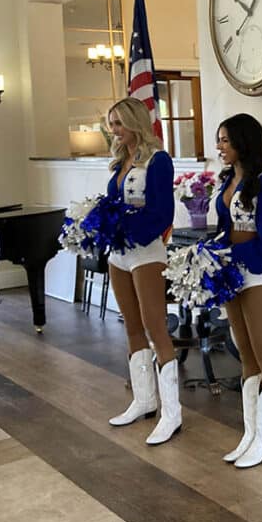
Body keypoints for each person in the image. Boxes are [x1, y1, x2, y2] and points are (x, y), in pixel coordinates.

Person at [104, 97, 182, 446]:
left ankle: (172, 414)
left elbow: (162, 212)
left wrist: (130, 232)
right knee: (132, 328)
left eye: (118, 123)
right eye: (111, 124)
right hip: (118, 255)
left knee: (156, 329)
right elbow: (114, 206)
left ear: (135, 122)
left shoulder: (158, 160)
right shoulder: (120, 161)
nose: (114, 130)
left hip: (146, 253)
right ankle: (144, 399)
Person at [214, 113, 262, 469]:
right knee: (243, 352)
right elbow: (225, 228)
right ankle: (250, 432)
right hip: (231, 274)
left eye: (226, 140)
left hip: (259, 274)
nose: (220, 147)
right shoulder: (227, 181)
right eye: (219, 140)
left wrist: (237, 254)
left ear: (244, 142)